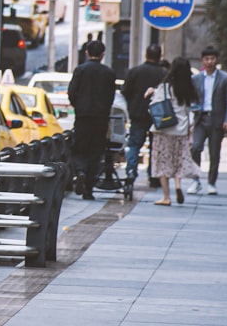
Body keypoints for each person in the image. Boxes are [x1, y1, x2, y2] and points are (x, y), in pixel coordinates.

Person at [148, 57, 203, 205]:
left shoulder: (165, 87)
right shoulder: (189, 88)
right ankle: (178, 186)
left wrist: (151, 93)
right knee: (177, 161)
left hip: (165, 129)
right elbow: (189, 109)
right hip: (181, 130)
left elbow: (155, 104)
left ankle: (166, 197)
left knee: (163, 162)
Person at [67, 39, 118, 200]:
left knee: (79, 149)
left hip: (83, 116)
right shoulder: (109, 73)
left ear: (87, 53)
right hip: (101, 118)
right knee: (95, 153)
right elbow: (111, 96)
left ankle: (80, 171)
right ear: (103, 54)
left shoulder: (80, 70)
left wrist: (79, 107)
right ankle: (88, 189)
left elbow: (72, 93)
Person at [187, 46, 227, 195]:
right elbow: (192, 97)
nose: (209, 62)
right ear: (202, 60)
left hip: (217, 119)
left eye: (212, 59)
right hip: (201, 118)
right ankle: (195, 180)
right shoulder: (196, 78)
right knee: (195, 147)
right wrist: (193, 110)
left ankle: (211, 182)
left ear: (216, 60)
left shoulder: (225, 78)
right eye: (207, 59)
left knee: (215, 152)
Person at [122, 43, 166, 186]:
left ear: (146, 55)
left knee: (134, 145)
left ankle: (131, 171)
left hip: (138, 114)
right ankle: (153, 176)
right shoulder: (165, 74)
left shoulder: (135, 71)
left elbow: (125, 92)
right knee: (156, 146)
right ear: (160, 56)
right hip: (159, 116)